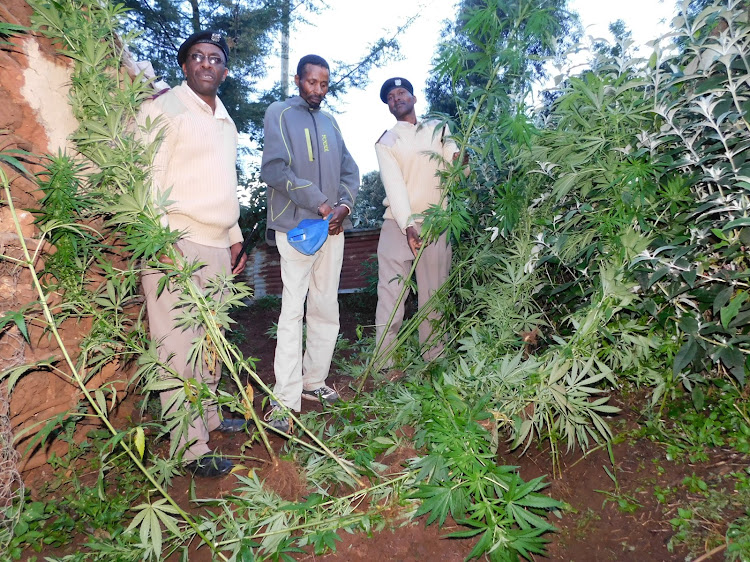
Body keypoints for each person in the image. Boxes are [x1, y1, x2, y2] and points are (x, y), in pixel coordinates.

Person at [137, 30, 248, 477]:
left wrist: (236, 231)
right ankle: (189, 446)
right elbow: (146, 179)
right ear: (184, 66)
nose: (207, 64)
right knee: (178, 347)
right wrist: (158, 242)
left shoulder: (225, 119)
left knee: (210, 343)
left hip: (218, 244)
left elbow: (224, 182)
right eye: (197, 57)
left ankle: (210, 417)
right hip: (175, 242)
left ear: (224, 70)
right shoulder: (163, 109)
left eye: (215, 59)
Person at [260, 54, 359, 432]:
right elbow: (274, 167)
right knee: (292, 314)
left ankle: (313, 382)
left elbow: (351, 170)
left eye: (323, 84)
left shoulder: (331, 122)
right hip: (296, 229)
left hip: (333, 230)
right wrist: (319, 202)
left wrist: (344, 206)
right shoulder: (280, 113)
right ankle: (284, 400)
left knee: (325, 309)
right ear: (297, 79)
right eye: (311, 82)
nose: (317, 90)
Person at [374, 77, 463, 367]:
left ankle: (433, 362)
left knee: (434, 296)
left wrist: (463, 158)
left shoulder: (440, 128)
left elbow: (458, 166)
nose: (396, 98)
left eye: (401, 93)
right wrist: (409, 226)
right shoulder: (387, 140)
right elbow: (394, 187)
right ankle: (384, 364)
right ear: (388, 106)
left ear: (413, 97)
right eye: (390, 97)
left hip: (437, 222)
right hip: (398, 225)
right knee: (391, 297)